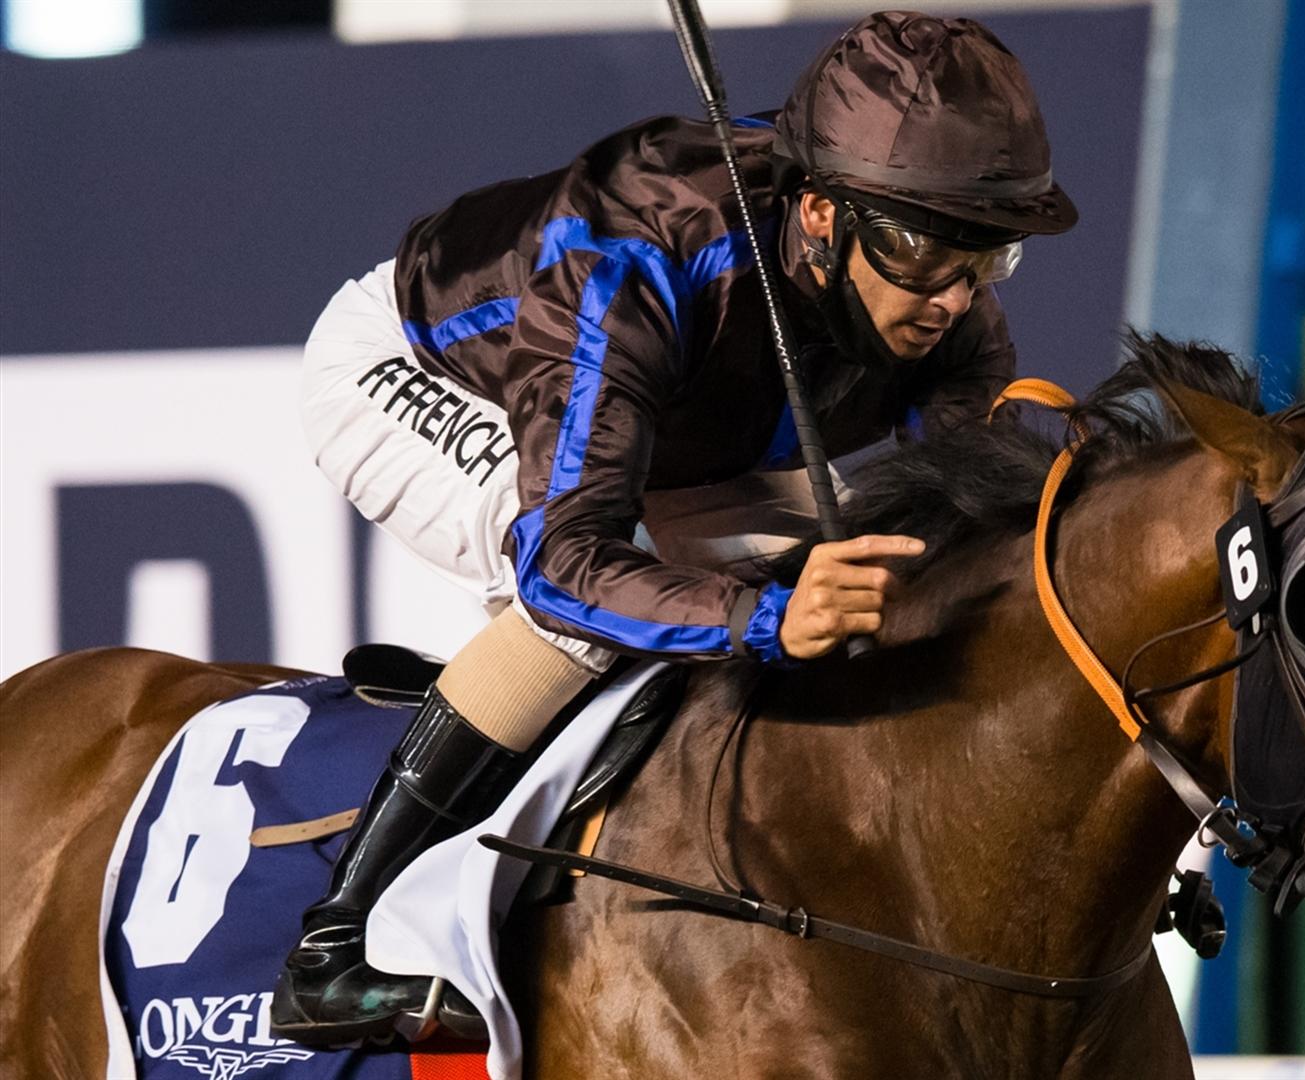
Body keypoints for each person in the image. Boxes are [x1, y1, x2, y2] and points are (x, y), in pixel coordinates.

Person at [271, 10, 1076, 1045]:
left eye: (989, 256)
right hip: (422, 373)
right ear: (824, 217)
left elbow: (954, 541)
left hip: (675, 441)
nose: (954, 300)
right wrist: (764, 621)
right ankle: (334, 948)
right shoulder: (634, 257)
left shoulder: (949, 314)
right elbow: (566, 561)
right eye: (923, 253)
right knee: (592, 613)